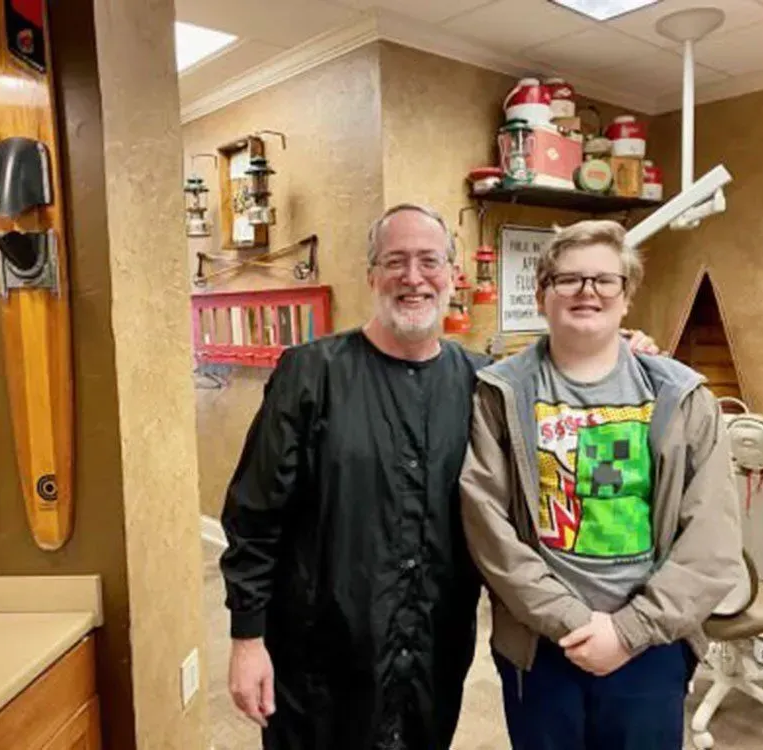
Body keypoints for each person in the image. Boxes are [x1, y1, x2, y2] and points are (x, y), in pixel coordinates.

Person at [219, 204, 661, 750]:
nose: (413, 277)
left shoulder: (484, 385)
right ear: (372, 275)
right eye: (395, 261)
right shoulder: (311, 374)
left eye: (429, 261)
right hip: (319, 663)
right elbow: (254, 517)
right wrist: (247, 638)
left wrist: (622, 351)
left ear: (452, 275)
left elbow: (566, 377)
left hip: (432, 657)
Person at [459, 219, 745, 750]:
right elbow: (487, 526)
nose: (586, 291)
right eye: (568, 279)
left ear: (627, 295)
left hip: (650, 647)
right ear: (542, 294)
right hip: (541, 645)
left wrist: (629, 632)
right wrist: (569, 620)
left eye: (604, 279)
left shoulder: (683, 397)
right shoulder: (501, 393)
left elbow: (714, 539)